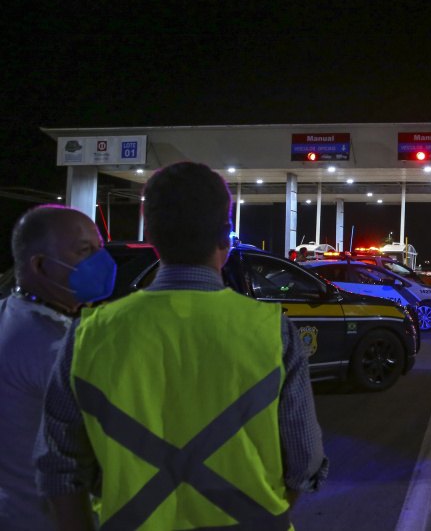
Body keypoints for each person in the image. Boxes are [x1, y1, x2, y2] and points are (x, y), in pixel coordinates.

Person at [35, 162, 328, 530]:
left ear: (153, 235)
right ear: (226, 236)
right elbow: (304, 463)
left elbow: (60, 470)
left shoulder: (89, 335)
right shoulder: (273, 332)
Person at [0, 206, 115, 531]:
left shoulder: (12, 314)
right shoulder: (51, 345)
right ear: (40, 265)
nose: (100, 260)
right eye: (84, 251)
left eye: (100, 248)